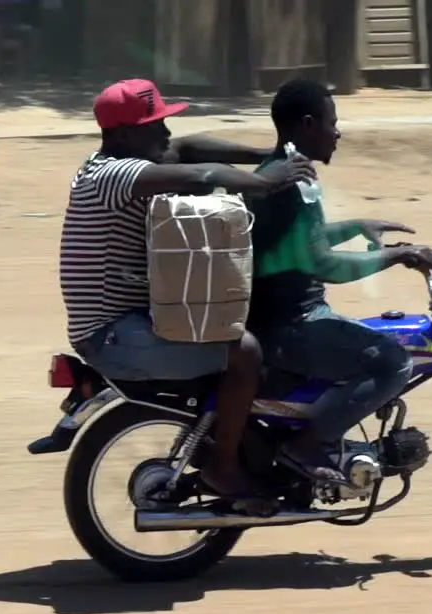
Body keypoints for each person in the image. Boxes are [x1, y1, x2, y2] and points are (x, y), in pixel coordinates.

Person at [60, 78, 315, 507]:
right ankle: (224, 469)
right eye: (154, 124)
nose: (165, 133)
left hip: (125, 321)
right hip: (114, 335)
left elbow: (191, 149)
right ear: (122, 135)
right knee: (246, 352)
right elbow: (201, 174)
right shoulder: (119, 175)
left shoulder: (116, 160)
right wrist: (272, 180)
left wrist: (263, 155)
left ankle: (233, 440)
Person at [245, 79, 432, 483]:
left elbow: (297, 242)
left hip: (284, 318)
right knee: (393, 360)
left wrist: (355, 226)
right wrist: (399, 255)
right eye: (332, 122)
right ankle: (306, 446)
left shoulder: (281, 171)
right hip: (289, 327)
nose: (338, 132)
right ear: (307, 124)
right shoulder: (291, 181)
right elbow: (323, 264)